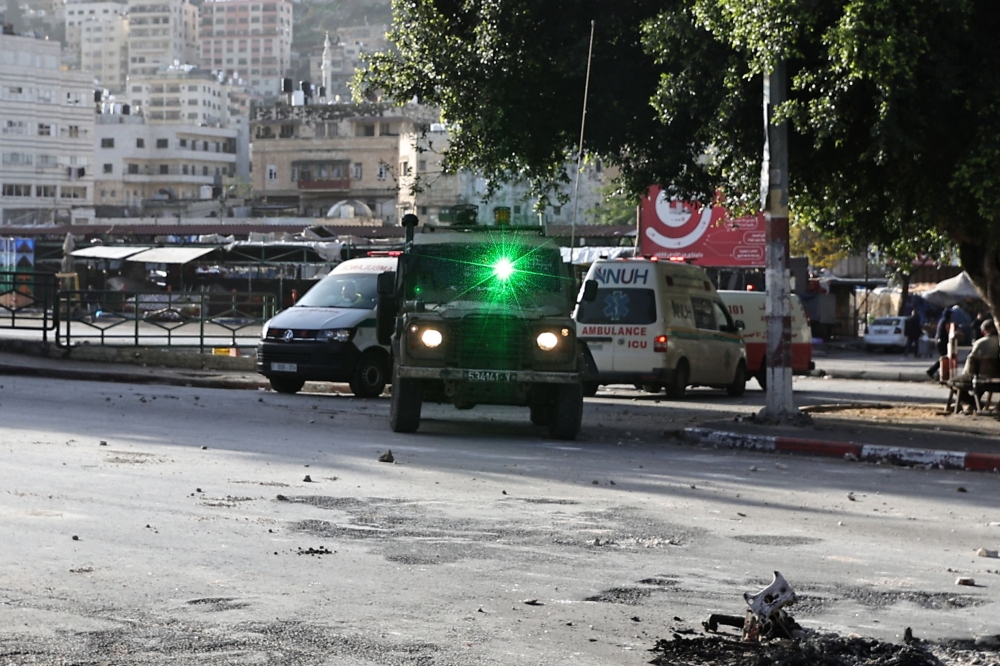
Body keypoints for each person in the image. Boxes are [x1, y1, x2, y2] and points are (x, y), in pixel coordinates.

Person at [952, 318, 999, 409]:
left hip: (982, 380)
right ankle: (975, 404)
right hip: (997, 379)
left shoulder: (980, 343)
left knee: (952, 382)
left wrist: (966, 375)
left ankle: (975, 403)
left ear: (984, 331)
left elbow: (970, 365)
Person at [926, 309, 953, 379]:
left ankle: (936, 371)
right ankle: (931, 371)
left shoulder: (942, 320)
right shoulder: (946, 321)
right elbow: (947, 332)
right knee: (944, 357)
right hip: (942, 342)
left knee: (944, 357)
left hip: (939, 341)